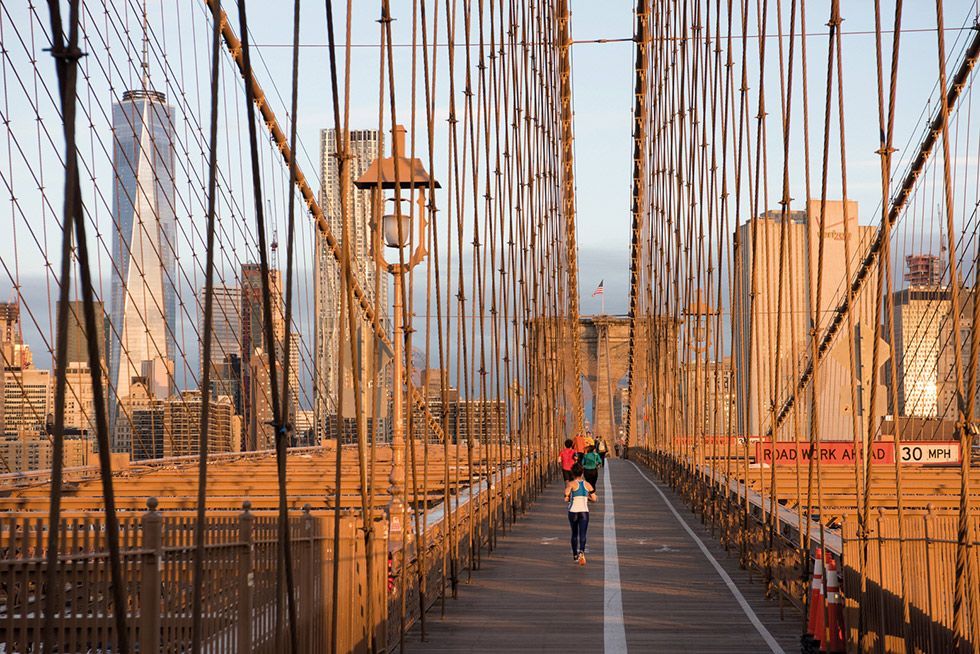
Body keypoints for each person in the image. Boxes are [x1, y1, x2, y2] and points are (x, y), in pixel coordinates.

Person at [564, 463, 596, 565]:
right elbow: (594, 499)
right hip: (584, 512)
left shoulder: (571, 484)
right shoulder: (587, 485)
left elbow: (566, 497)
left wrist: (568, 497)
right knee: (583, 534)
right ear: (582, 473)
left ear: (573, 473)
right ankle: (582, 552)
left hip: (573, 511)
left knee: (574, 533)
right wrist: (587, 497)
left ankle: (575, 555)